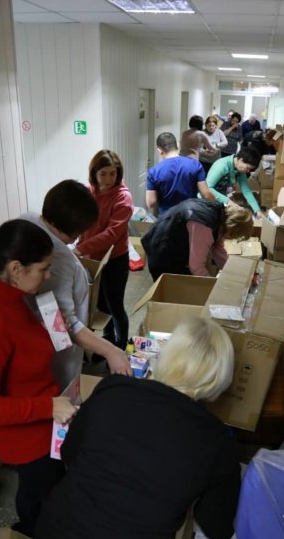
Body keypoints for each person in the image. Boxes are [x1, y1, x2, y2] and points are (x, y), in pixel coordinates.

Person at [34, 317, 240, 539]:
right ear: (218, 379)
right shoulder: (217, 442)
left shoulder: (113, 388)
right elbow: (217, 528)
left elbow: (69, 453)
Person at [0, 219, 78, 536]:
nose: (48, 275)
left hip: (42, 411)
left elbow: (22, 349)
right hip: (24, 435)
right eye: (43, 268)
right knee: (42, 491)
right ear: (16, 268)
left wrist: (52, 333)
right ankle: (32, 537)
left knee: (47, 486)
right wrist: (48, 407)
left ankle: (34, 528)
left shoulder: (7, 296)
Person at [22, 180, 131, 389]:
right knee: (63, 392)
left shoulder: (28, 219)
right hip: (56, 360)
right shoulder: (58, 258)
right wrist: (110, 350)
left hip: (39, 343)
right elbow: (63, 324)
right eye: (80, 232)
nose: (79, 237)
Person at [74, 150, 133, 352]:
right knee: (101, 306)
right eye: (103, 174)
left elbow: (112, 233)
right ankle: (107, 343)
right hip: (92, 259)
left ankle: (121, 348)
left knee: (115, 306)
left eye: (113, 173)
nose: (108, 179)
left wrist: (80, 248)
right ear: (94, 173)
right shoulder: (88, 192)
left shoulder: (123, 197)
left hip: (115, 259)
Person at [141, 198, 253, 280]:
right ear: (233, 228)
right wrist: (212, 285)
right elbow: (196, 267)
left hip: (171, 243)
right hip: (162, 250)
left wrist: (233, 275)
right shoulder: (204, 225)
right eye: (235, 236)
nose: (232, 239)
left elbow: (219, 250)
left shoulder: (220, 215)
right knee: (175, 293)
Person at [146, 132, 213, 214]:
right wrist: (219, 206)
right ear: (177, 145)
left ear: (159, 150)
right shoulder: (195, 165)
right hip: (190, 214)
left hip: (167, 217)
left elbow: (151, 203)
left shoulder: (154, 171)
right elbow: (206, 195)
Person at [205, 147, 261, 217]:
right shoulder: (222, 165)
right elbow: (207, 188)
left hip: (220, 200)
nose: (248, 171)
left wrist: (257, 210)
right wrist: (228, 201)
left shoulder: (239, 169)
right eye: (248, 168)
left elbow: (246, 191)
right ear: (240, 160)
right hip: (207, 201)